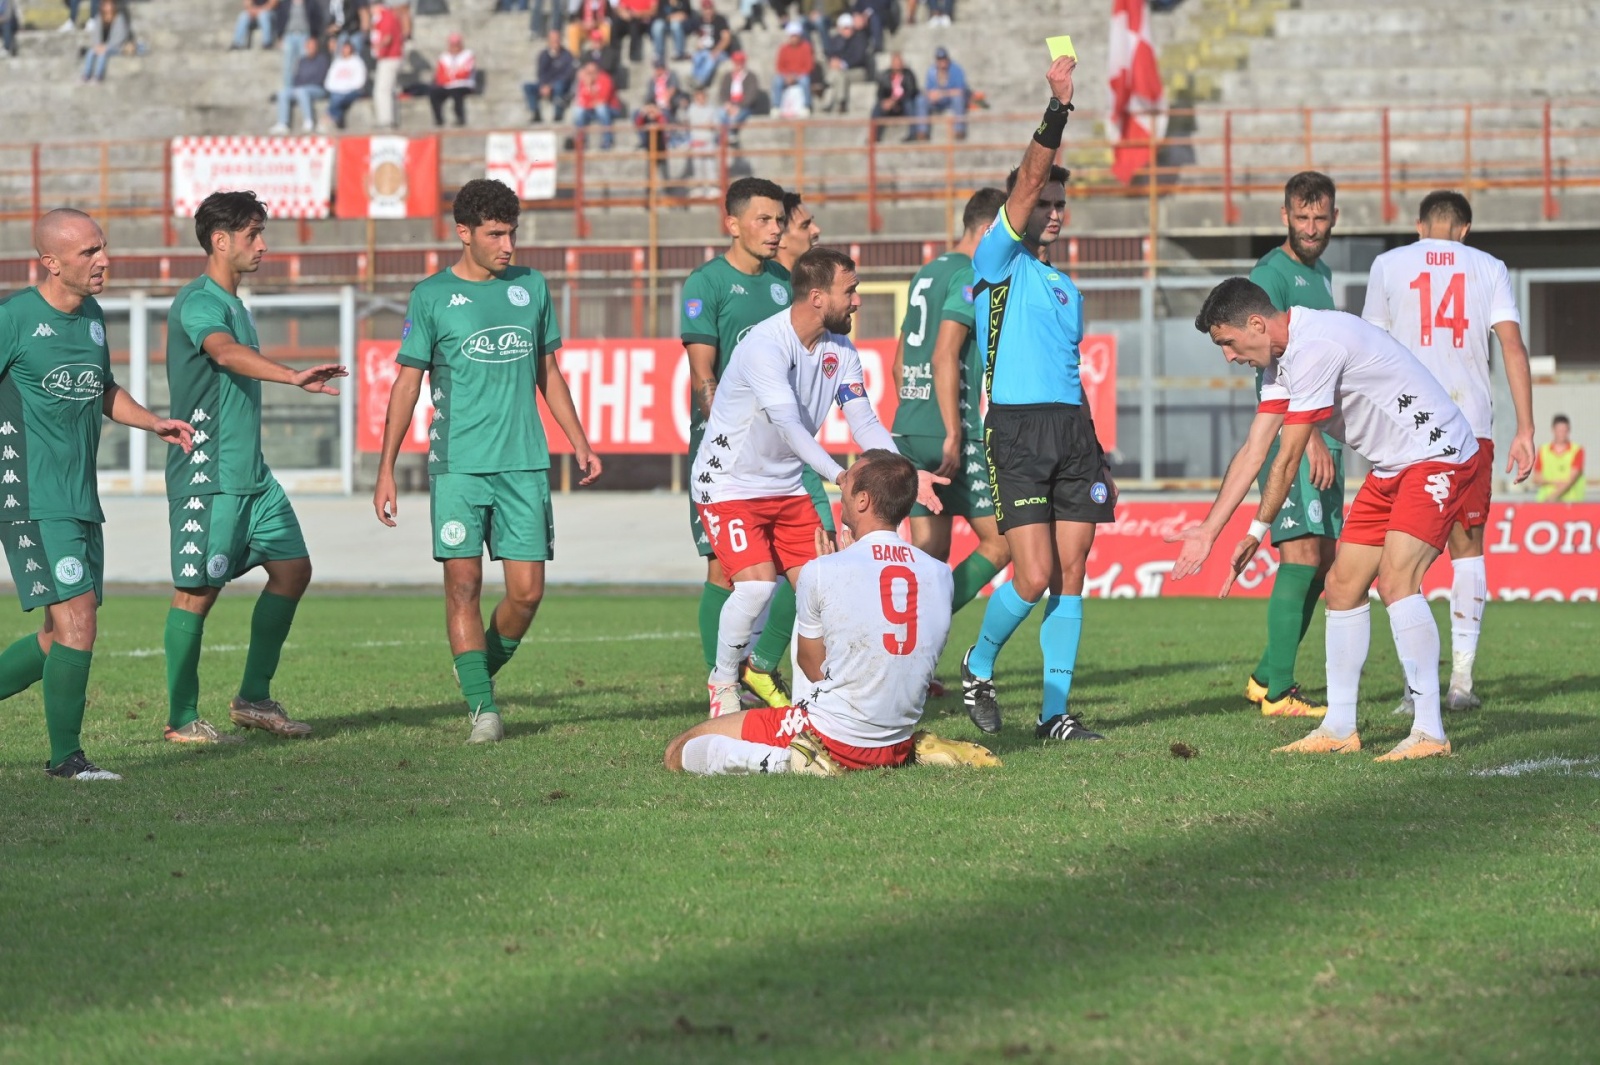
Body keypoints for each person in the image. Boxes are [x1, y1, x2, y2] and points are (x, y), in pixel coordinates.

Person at [1181, 278, 1485, 761]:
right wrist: (1207, 531)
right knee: (1342, 585)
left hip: (1438, 455)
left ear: (1256, 324)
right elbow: (1254, 450)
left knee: (1396, 580)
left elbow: (1286, 459)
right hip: (1394, 466)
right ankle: (1340, 726)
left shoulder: (1315, 346)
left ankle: (1430, 731)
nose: (1229, 357)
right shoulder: (1282, 360)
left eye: (1228, 343)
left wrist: (1257, 530)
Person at [373, 179, 602, 744]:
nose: (508, 246)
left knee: (526, 594)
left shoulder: (532, 287)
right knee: (463, 586)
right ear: (464, 234)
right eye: (495, 234)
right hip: (458, 465)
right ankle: (483, 709)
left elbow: (549, 372)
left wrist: (579, 439)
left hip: (524, 463)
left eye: (512, 233)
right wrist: (386, 469)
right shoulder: (431, 297)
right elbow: (406, 387)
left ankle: (474, 676)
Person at [691, 248, 944, 717]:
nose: (857, 301)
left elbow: (863, 421)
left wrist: (905, 469)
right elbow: (789, 426)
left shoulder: (841, 351)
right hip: (728, 485)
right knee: (756, 588)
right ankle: (724, 682)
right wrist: (843, 477)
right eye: (849, 291)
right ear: (815, 297)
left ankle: (813, 702)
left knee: (823, 587)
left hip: (785, 486)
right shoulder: (765, 346)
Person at [0, 209, 193, 779]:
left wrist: (153, 421)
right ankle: (67, 760)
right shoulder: (13, 319)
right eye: (88, 252)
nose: (103, 259)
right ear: (51, 262)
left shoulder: (92, 319)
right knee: (78, 618)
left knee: (56, 633)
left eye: (102, 248)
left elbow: (101, 388)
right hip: (31, 497)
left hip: (81, 498)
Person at [664, 450, 998, 776]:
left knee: (682, 749)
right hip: (894, 738)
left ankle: (794, 762)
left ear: (863, 501)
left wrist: (831, 571)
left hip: (835, 736)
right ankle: (908, 750)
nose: (840, 487)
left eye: (847, 482)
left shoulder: (824, 569)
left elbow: (813, 666)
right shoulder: (940, 573)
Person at [960, 56, 1116, 743]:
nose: (1050, 212)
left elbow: (1067, 372)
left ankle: (1055, 713)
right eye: (1041, 203)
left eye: (1059, 204)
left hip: (1072, 432)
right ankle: (979, 661)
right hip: (1018, 432)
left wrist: (1094, 443)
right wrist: (1059, 109)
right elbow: (1026, 179)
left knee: (1074, 571)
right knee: (1035, 571)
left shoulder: (1067, 289)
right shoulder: (998, 259)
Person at [161, 192, 346, 745]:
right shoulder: (200, 302)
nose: (263, 245)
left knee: (293, 569)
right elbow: (222, 352)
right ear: (221, 241)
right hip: (210, 476)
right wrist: (291, 376)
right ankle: (182, 718)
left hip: (253, 476)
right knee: (197, 593)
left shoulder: (236, 303)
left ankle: (253, 698)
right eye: (252, 234)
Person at [1362, 189, 1536, 713]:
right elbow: (1511, 345)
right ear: (1465, 229)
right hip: (1469, 426)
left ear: (1420, 226)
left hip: (1407, 426)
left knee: (1399, 559)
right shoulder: (1489, 266)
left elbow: (1371, 350)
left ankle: (1415, 689)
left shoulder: (1388, 264)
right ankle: (1460, 681)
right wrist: (1524, 428)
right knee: (1468, 549)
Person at [681, 177, 811, 705]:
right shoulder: (706, 283)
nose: (775, 229)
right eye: (764, 219)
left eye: (780, 220)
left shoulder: (784, 282)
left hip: (782, 454)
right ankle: (725, 682)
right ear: (731, 223)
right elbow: (702, 373)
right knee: (723, 567)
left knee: (801, 565)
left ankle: (764, 670)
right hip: (726, 455)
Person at [1226, 172, 1347, 718]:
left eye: (1320, 218)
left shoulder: (1320, 273)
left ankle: (1265, 676)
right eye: (1302, 218)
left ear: (1334, 218)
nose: (1312, 228)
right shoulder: (1270, 274)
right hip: (1295, 433)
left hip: (1324, 433)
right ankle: (1279, 695)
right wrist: (1312, 434)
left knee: (1322, 561)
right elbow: (1272, 359)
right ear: (1285, 217)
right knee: (1300, 554)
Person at [892, 187, 1011, 620]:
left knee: (928, 554)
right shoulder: (969, 273)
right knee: (1001, 544)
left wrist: (914, 408)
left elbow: (900, 360)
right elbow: (944, 354)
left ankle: (907, 654)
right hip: (948, 428)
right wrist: (955, 430)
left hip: (910, 423)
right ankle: (924, 626)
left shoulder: (928, 271)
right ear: (987, 230)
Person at [277, 36, 330, 133]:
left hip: (318, 89)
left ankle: (308, 121)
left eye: (313, 46)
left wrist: (303, 86)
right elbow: (296, 77)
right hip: (301, 88)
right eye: (308, 46)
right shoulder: (302, 61)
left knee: (302, 91)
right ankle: (283, 123)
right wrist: (298, 86)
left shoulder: (322, 60)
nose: (310, 48)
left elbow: (320, 78)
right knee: (283, 93)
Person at [913, 46, 967, 139]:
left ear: (948, 59)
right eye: (939, 59)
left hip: (950, 100)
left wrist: (942, 94)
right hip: (936, 101)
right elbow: (928, 89)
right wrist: (931, 95)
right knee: (920, 100)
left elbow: (960, 91)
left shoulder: (956, 70)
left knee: (958, 99)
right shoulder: (931, 71)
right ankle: (922, 132)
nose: (942, 62)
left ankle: (959, 130)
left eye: (944, 59)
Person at [821, 12, 870, 113]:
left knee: (838, 75)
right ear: (839, 29)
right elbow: (830, 53)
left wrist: (843, 64)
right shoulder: (835, 40)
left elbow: (859, 58)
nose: (848, 30)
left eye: (849, 27)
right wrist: (833, 61)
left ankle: (826, 88)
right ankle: (838, 102)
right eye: (845, 28)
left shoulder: (860, 39)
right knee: (838, 75)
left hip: (858, 71)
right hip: (839, 71)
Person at [524, 29, 576, 122]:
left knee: (559, 86)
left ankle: (558, 114)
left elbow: (568, 74)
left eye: (557, 39)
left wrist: (551, 86)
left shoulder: (567, 55)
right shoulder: (543, 55)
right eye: (553, 39)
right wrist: (543, 85)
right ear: (548, 41)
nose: (555, 42)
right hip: (545, 85)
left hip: (560, 85)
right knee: (527, 87)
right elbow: (541, 73)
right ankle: (536, 113)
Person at [429, 32, 476, 127]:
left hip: (464, 84)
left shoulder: (468, 55)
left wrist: (450, 76)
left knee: (456, 93)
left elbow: (464, 73)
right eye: (452, 44)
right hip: (447, 85)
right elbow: (440, 74)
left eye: (456, 44)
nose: (454, 47)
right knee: (433, 92)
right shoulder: (443, 56)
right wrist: (450, 77)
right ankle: (439, 120)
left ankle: (460, 118)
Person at [369, 0, 404, 129]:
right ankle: (390, 119)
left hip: (389, 57)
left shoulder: (385, 16)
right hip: (390, 57)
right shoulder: (386, 16)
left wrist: (380, 50)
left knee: (382, 90)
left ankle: (385, 120)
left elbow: (387, 38)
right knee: (389, 90)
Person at [869, 51, 917, 142]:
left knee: (910, 105)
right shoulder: (885, 76)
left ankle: (913, 134)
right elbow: (880, 93)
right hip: (889, 105)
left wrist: (895, 101)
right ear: (891, 64)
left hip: (903, 103)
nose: (897, 65)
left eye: (899, 62)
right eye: (895, 62)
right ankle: (874, 136)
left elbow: (911, 92)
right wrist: (885, 102)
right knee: (877, 107)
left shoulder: (909, 75)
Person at [1535, 414, 1585, 502]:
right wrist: (1553, 482)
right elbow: (1536, 478)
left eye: (1564, 430)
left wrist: (1552, 497)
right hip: (1545, 503)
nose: (1562, 434)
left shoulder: (1577, 450)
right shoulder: (1543, 450)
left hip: (1571, 503)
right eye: (1559, 430)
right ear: (1553, 430)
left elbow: (1571, 480)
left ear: (1569, 430)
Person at [80, 0, 129, 83]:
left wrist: (106, 46)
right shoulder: (99, 18)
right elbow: (95, 35)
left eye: (109, 5)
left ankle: (98, 76)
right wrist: (97, 45)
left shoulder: (119, 18)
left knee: (103, 53)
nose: (107, 7)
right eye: (105, 5)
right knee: (91, 52)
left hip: (116, 47)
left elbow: (120, 37)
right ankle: (86, 75)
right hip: (101, 46)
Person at [772, 190, 820, 276]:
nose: (816, 230)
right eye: (805, 225)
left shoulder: (811, 281)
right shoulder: (766, 285)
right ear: (780, 238)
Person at [571, 59, 616, 148]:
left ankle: (607, 140)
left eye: (593, 72)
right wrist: (588, 86)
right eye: (588, 72)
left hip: (610, 108)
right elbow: (582, 100)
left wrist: (591, 88)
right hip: (591, 109)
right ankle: (581, 141)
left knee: (601, 108)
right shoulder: (584, 81)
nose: (591, 74)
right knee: (578, 111)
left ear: (597, 71)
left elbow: (603, 99)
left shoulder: (605, 79)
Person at [324, 38, 368, 128]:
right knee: (336, 97)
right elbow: (329, 80)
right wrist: (338, 88)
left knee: (338, 98)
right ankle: (338, 116)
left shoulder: (357, 62)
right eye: (344, 48)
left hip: (352, 91)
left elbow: (360, 81)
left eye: (347, 48)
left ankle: (331, 115)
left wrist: (347, 88)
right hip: (337, 91)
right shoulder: (337, 62)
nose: (345, 50)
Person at [772, 19, 814, 113]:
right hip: (787, 75)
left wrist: (796, 76)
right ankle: (776, 106)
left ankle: (806, 106)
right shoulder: (783, 48)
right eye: (792, 36)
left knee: (805, 81)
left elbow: (809, 66)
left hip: (800, 75)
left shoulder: (806, 47)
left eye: (796, 36)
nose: (794, 38)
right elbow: (780, 66)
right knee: (777, 81)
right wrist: (787, 75)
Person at [689, 0, 734, 88]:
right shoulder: (700, 21)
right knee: (697, 57)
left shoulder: (720, 20)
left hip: (721, 51)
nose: (708, 11)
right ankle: (694, 78)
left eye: (710, 8)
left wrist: (717, 50)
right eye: (706, 9)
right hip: (705, 50)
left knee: (710, 59)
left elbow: (726, 39)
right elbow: (698, 37)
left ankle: (701, 81)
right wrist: (698, 46)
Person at [717, 50, 758, 143]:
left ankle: (729, 134)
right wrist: (728, 104)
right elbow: (722, 93)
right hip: (730, 104)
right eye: (736, 62)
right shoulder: (727, 76)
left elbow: (751, 96)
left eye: (740, 62)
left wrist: (739, 107)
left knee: (737, 116)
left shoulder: (751, 77)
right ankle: (726, 135)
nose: (738, 65)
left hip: (744, 106)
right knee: (721, 113)